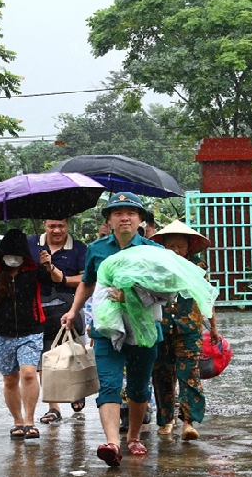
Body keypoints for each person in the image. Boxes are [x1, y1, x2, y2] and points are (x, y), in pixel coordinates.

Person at [60, 192, 163, 467]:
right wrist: (73, 311)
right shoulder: (97, 249)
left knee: (140, 388)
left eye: (131, 212)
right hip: (106, 328)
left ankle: (133, 437)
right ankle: (112, 443)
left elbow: (166, 289)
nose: (124, 217)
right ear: (109, 220)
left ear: (140, 219)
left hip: (142, 329)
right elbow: (87, 282)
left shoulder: (154, 251)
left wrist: (132, 295)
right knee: (109, 384)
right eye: (118, 213)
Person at [0, 228, 65, 440]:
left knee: (29, 374)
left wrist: (49, 265)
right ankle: (18, 421)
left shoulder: (33, 270)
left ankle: (30, 422)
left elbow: (58, 280)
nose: (13, 258)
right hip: (2, 334)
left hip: (31, 332)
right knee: (10, 380)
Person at [149, 220, 219, 440]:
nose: (175, 250)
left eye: (180, 246)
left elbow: (205, 295)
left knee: (189, 373)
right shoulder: (155, 265)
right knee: (161, 373)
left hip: (189, 327)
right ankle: (166, 420)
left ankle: (188, 421)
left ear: (188, 247)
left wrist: (214, 326)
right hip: (160, 325)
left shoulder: (198, 267)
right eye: (171, 245)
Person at [26, 219, 89, 424]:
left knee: (73, 355)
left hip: (70, 308)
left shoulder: (78, 248)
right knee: (46, 360)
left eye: (61, 226)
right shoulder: (31, 243)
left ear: (68, 225)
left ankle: (77, 390)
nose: (57, 230)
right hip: (39, 310)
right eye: (52, 226)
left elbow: (86, 278)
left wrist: (60, 276)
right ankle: (53, 407)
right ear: (43, 225)